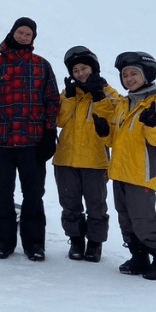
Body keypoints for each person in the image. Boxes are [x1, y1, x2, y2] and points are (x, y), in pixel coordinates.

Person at [0, 17, 59, 261]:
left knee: (33, 196)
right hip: (0, 143)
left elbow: (52, 101)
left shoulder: (42, 65)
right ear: (12, 33)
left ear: (33, 39)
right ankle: (4, 242)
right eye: (21, 32)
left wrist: (50, 133)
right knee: (1, 195)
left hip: (33, 143)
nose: (24, 37)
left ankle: (34, 244)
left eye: (29, 34)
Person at [92, 52, 156, 279]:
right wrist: (104, 133)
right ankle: (139, 257)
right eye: (125, 75)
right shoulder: (125, 103)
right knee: (126, 219)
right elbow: (117, 139)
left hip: (142, 173)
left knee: (143, 219)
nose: (128, 78)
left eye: (133, 74)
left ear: (146, 74)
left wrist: (153, 124)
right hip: (119, 171)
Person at [54, 46, 120, 262]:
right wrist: (70, 98)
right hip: (66, 159)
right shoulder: (69, 93)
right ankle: (76, 240)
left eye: (84, 68)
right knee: (70, 203)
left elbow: (113, 123)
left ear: (93, 68)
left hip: (95, 160)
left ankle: (95, 243)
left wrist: (99, 96)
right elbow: (59, 121)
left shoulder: (109, 92)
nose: (80, 73)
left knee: (96, 205)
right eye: (75, 70)